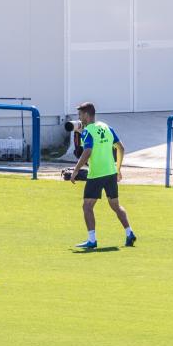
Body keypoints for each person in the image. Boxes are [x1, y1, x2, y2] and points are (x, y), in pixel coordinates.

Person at [70, 102, 137, 249]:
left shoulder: (88, 132)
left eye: (80, 115)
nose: (79, 118)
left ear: (86, 115)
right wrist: (118, 169)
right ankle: (129, 233)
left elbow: (87, 152)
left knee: (87, 206)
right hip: (110, 173)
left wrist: (75, 171)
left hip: (97, 174)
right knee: (116, 206)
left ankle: (92, 240)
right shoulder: (107, 127)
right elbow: (121, 148)